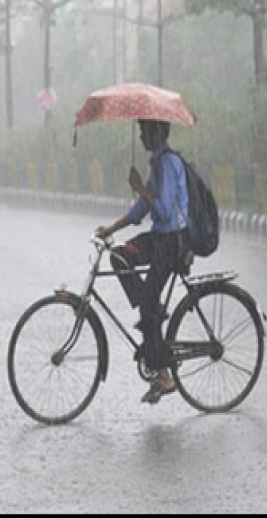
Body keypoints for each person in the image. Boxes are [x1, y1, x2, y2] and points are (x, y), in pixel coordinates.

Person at [95, 118, 191, 405]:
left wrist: (140, 187)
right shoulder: (157, 164)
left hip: (173, 242)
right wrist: (111, 229)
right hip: (160, 238)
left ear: (157, 132)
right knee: (120, 255)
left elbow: (161, 210)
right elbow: (140, 211)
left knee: (148, 306)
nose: (140, 137)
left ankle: (164, 374)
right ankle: (153, 315)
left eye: (144, 131)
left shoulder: (169, 164)